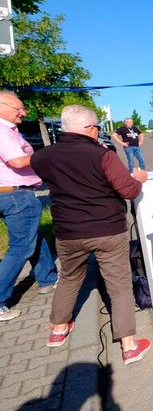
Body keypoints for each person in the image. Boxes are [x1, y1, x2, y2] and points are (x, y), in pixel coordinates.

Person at [31, 105, 151, 365]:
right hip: (107, 229)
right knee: (118, 285)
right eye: (97, 127)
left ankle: (59, 330)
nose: (98, 131)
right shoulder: (103, 155)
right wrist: (139, 178)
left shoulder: (42, 157)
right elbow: (128, 189)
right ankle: (129, 346)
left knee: (69, 278)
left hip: (68, 231)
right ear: (89, 128)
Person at [0, 91, 58, 321]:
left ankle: (47, 279)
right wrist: (49, 155)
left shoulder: (10, 130)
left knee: (35, 236)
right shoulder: (2, 131)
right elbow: (16, 161)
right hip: (16, 195)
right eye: (19, 108)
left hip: (14, 194)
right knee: (21, 247)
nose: (23, 112)